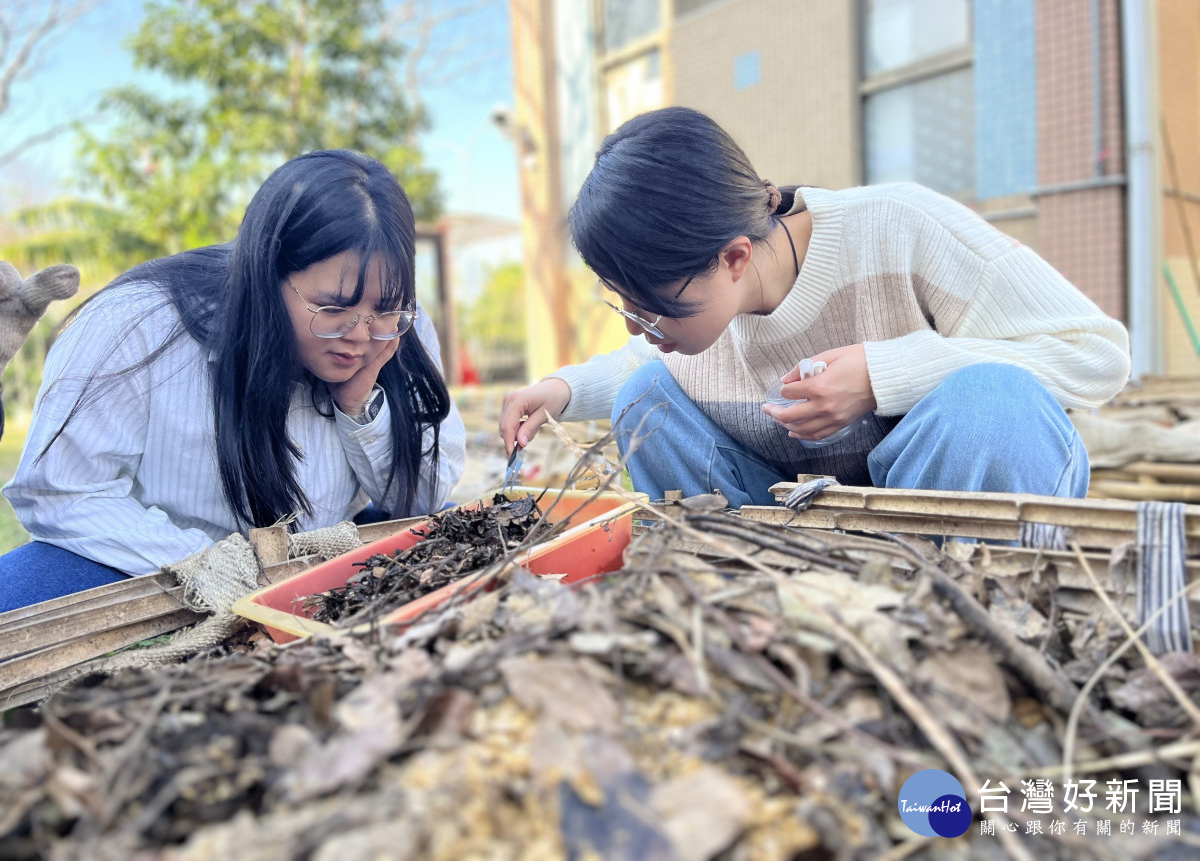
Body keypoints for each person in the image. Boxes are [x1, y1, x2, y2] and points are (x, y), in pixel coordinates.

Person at [500, 107, 1130, 508]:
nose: (645, 326)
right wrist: (559, 389)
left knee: (993, 402)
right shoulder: (700, 309)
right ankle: (755, 589)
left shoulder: (900, 225)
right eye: (628, 307)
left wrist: (883, 377)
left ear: (734, 258)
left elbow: (1095, 354)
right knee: (643, 397)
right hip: (804, 535)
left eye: (655, 307)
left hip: (937, 524)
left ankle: (960, 617)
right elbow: (651, 358)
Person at [1, 150, 465, 612]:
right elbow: (60, 491)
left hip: (321, 558)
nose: (361, 335)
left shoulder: (401, 326)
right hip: (151, 565)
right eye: (332, 307)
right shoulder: (138, 324)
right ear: (266, 273)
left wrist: (359, 405)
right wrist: (205, 566)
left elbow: (423, 497)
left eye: (384, 308)